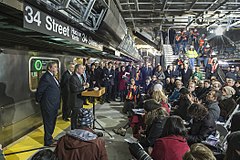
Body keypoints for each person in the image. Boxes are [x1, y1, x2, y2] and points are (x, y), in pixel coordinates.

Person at [35, 61, 61, 146]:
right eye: (55, 67)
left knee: (52, 122)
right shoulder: (46, 77)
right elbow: (40, 91)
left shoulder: (52, 77)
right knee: (48, 123)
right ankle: (48, 141)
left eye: (57, 67)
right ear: (49, 68)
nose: (57, 68)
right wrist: (40, 101)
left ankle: (50, 138)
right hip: (48, 105)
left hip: (53, 104)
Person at [69, 64, 90, 130]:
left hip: (80, 100)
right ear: (77, 69)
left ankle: (77, 130)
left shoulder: (81, 76)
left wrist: (84, 85)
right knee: (74, 117)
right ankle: (73, 131)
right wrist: (84, 87)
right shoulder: (73, 78)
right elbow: (74, 89)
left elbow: (80, 86)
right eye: (81, 68)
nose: (83, 70)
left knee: (78, 117)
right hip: (75, 100)